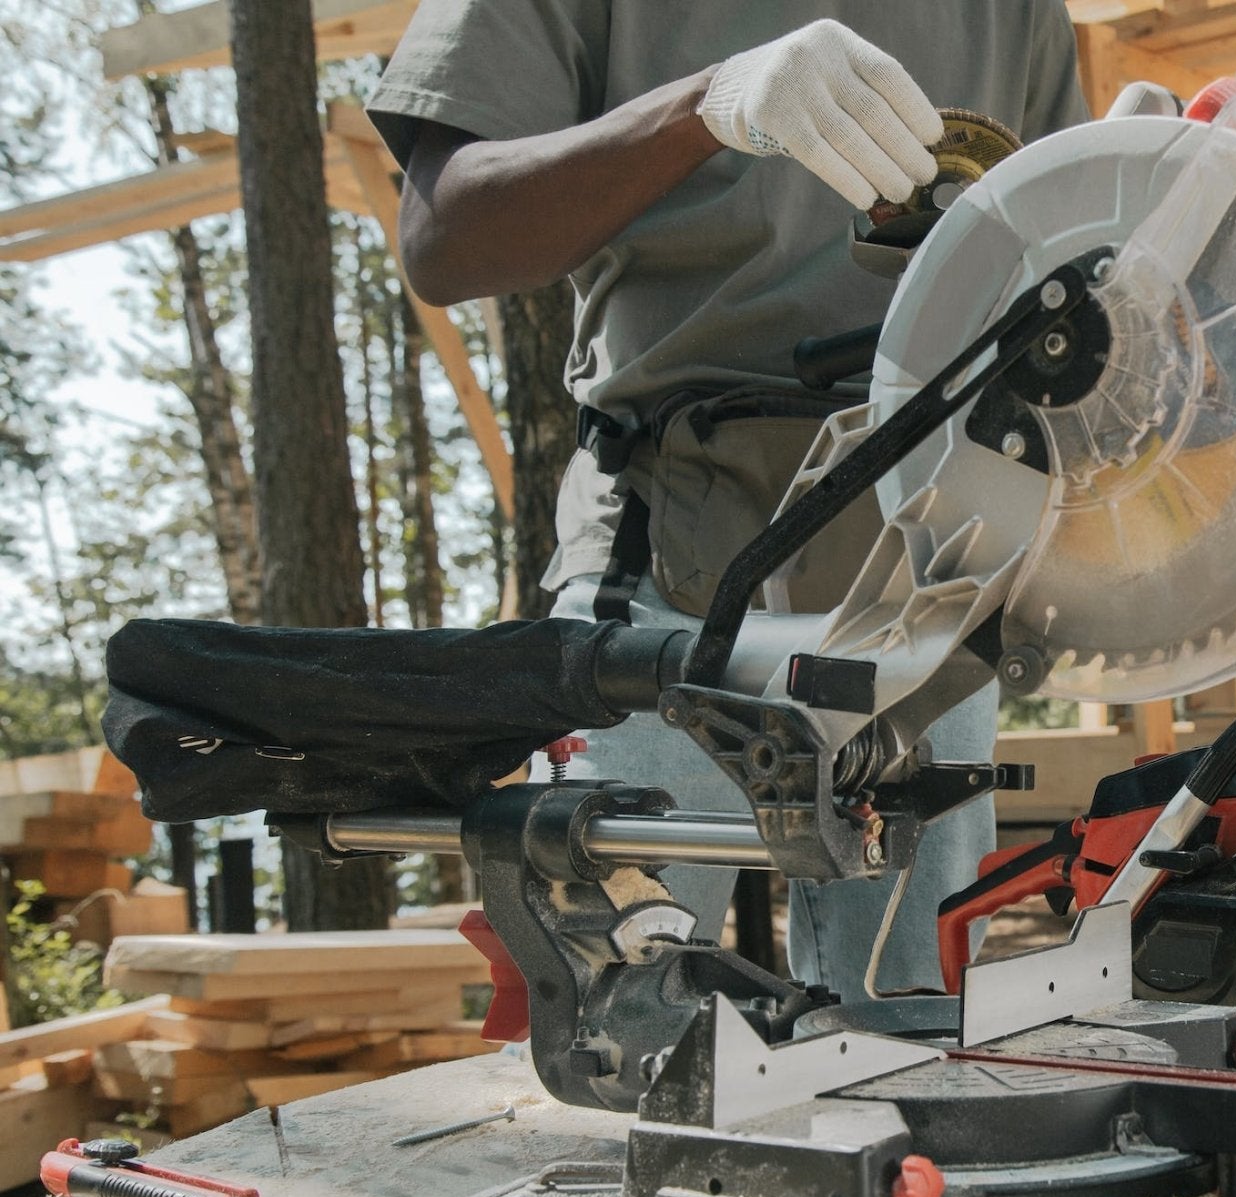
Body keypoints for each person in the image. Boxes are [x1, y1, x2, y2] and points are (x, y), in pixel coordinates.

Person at [367, 6, 1091, 998]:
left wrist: (1156, 209)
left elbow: (1066, 271)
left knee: (921, 1033)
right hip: (671, 556)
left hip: (926, 566)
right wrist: (705, 107)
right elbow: (446, 235)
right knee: (613, 1020)